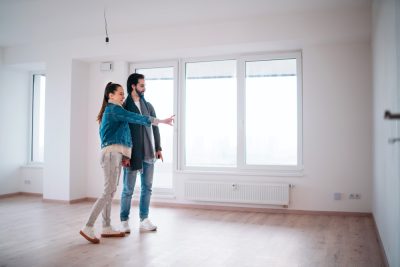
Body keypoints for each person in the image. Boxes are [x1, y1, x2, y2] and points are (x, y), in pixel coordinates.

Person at [79, 82, 174, 244]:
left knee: (110, 191)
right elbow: (135, 118)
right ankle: (88, 226)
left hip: (114, 154)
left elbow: (123, 134)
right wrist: (160, 121)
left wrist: (125, 155)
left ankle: (106, 226)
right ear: (111, 95)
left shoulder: (114, 111)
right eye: (120, 93)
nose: (123, 96)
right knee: (107, 191)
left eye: (123, 93)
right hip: (110, 155)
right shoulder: (114, 109)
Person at [120, 73, 164, 233]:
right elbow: (122, 132)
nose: (144, 88)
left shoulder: (149, 106)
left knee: (147, 188)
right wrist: (124, 155)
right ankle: (124, 221)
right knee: (128, 190)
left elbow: (155, 126)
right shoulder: (124, 107)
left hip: (149, 154)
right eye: (142, 85)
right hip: (132, 155)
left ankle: (144, 219)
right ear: (133, 86)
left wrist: (158, 148)